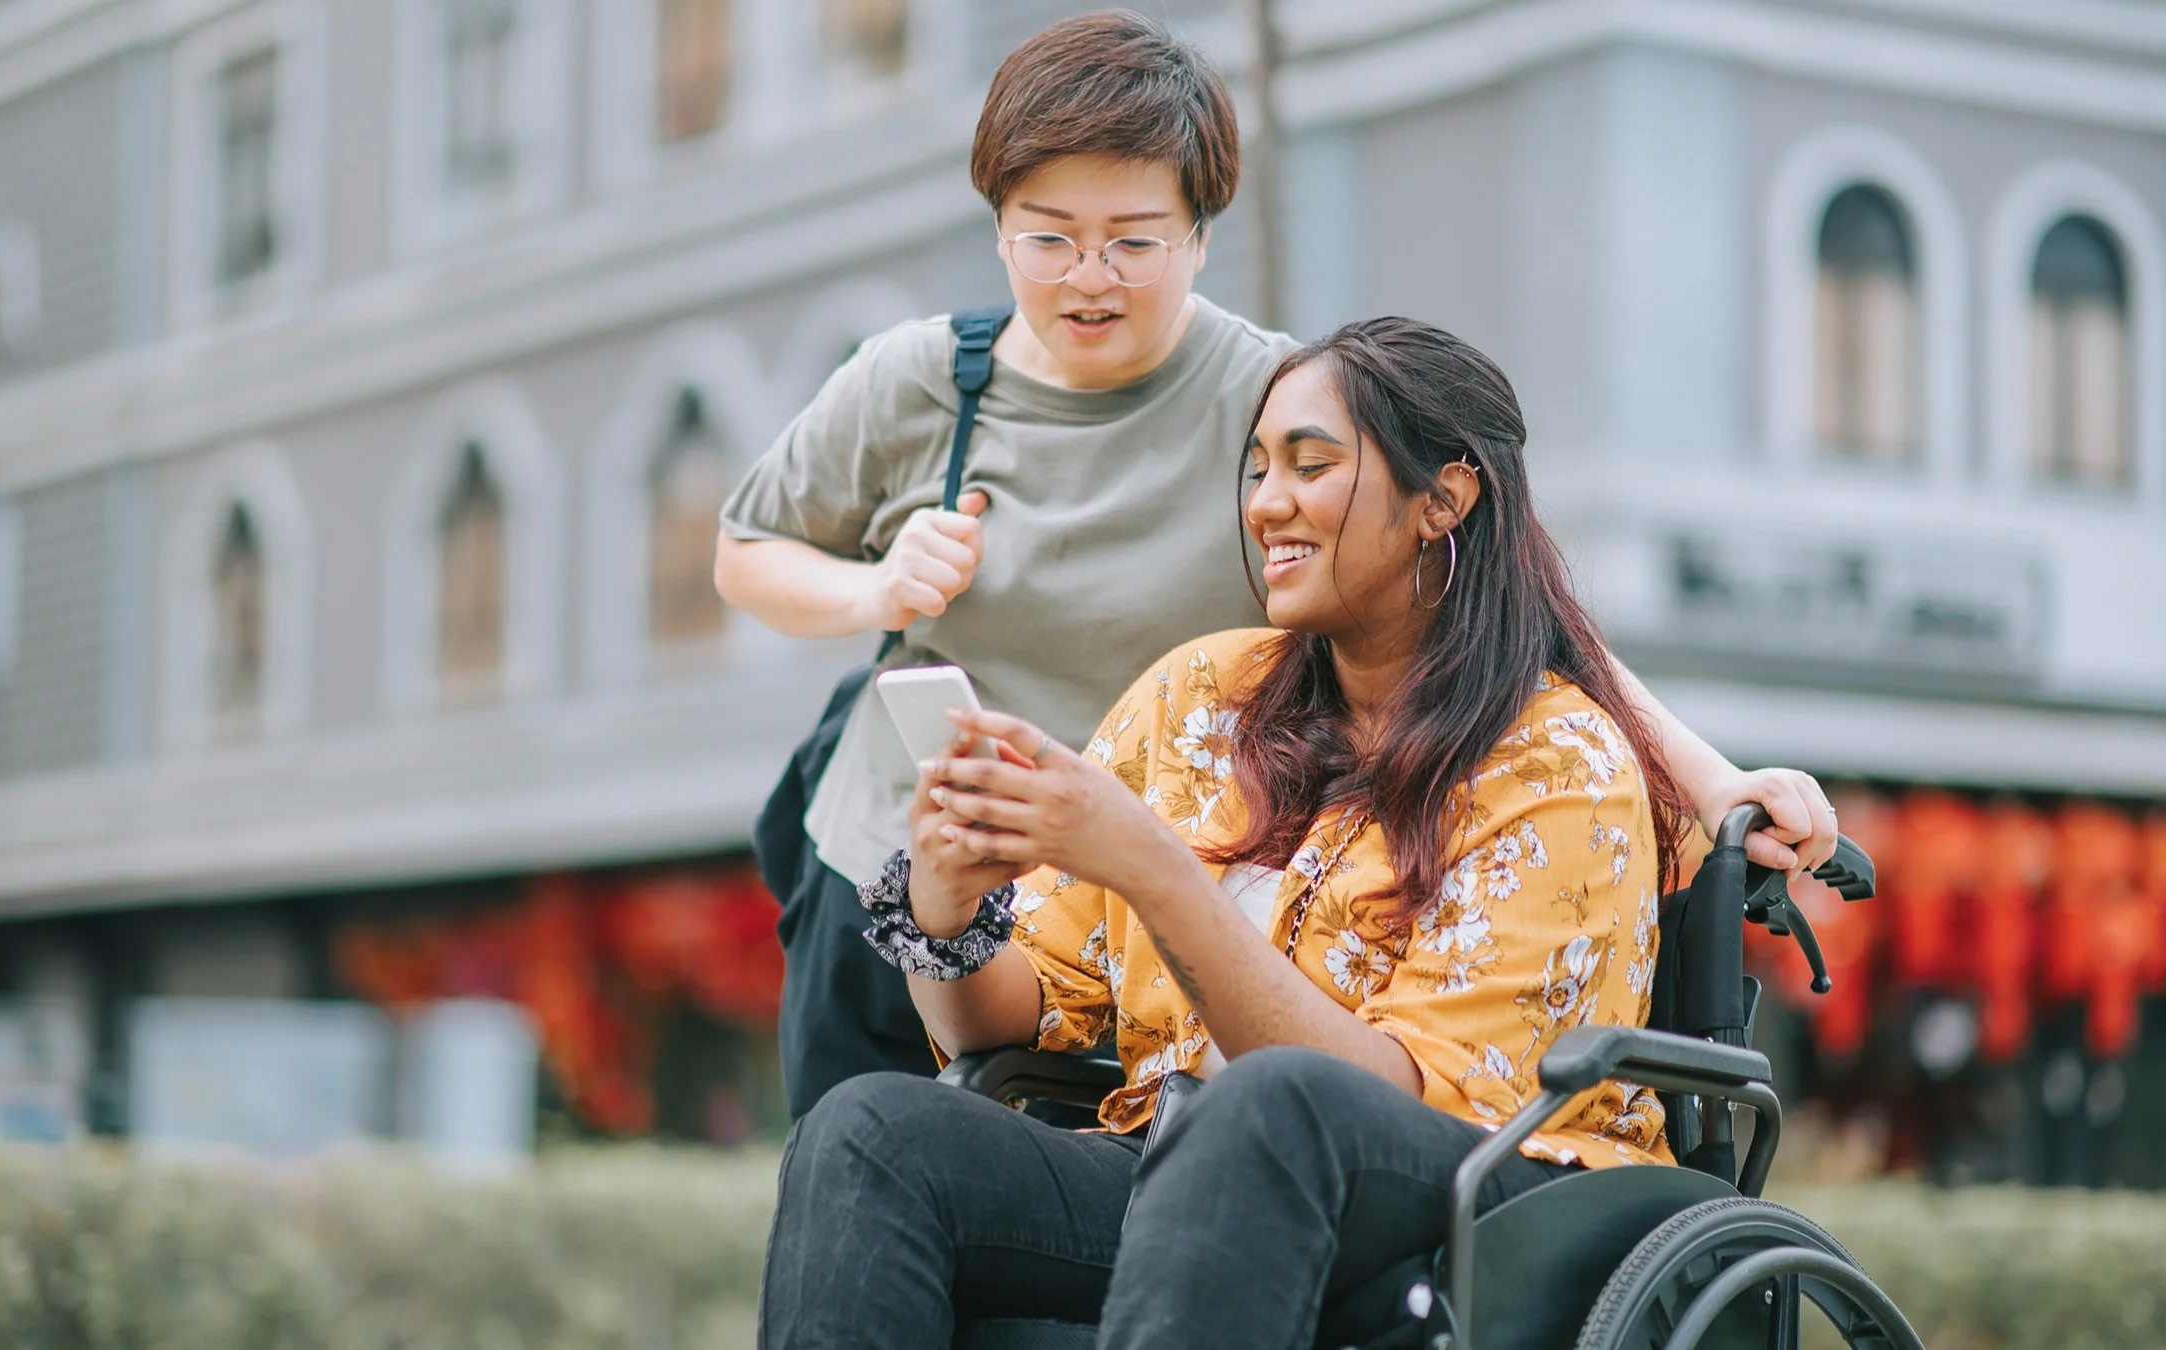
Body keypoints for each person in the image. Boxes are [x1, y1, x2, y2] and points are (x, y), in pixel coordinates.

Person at [717, 11, 1834, 1121]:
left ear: (1203, 236)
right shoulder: (916, 380)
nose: (1089, 277)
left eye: (1136, 239)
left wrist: (1715, 782)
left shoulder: (1275, 408)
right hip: (908, 857)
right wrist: (879, 590)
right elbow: (744, 552)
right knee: (854, 1171)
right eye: (1047, 237)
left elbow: (1500, 601)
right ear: (999, 228)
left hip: (1125, 903)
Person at [761, 317, 1710, 1348]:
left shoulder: (1555, 763)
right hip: (1185, 1173)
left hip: (1478, 1202)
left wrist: (1158, 872)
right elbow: (1002, 1025)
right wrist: (945, 909)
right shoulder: (1199, 698)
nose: (1267, 504)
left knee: (1270, 1105)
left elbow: (1387, 1097)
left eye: (1311, 465)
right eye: (1257, 469)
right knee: (868, 1131)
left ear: (1443, 498)